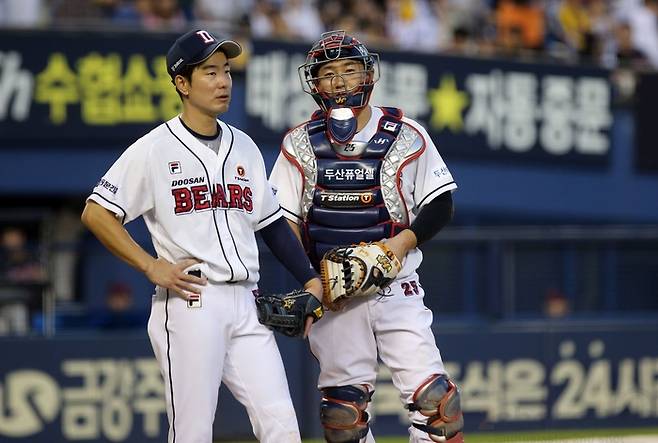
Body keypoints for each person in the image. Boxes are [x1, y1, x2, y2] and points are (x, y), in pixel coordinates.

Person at [81, 29, 323, 443]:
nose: (223, 81)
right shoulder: (154, 148)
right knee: (192, 432)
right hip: (192, 301)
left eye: (226, 71)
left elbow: (270, 224)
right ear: (181, 83)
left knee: (282, 424)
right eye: (209, 72)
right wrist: (149, 264)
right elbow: (96, 212)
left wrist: (310, 278)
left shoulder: (243, 145)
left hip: (247, 302)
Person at [269, 30, 464, 442]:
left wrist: (398, 244)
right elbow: (282, 222)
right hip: (334, 295)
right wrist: (309, 282)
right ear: (315, 84)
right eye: (328, 74)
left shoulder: (408, 133)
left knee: (437, 404)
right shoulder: (299, 143)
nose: (339, 82)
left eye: (349, 70)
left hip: (397, 286)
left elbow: (441, 204)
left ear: (367, 74)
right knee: (343, 416)